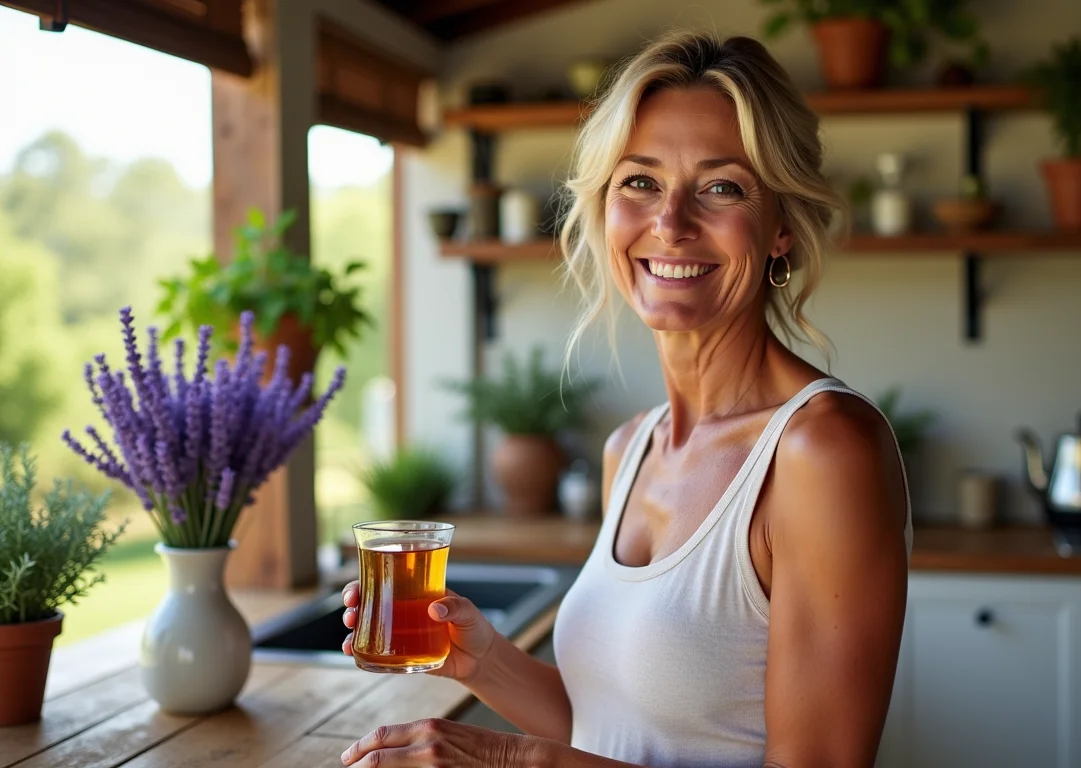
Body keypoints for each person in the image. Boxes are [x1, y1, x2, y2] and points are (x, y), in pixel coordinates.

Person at [337, 29, 912, 768]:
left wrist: (513, 762)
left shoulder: (824, 450)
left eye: (721, 187)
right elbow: (608, 730)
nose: (670, 223)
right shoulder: (631, 449)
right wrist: (479, 659)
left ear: (781, 229)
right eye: (639, 181)